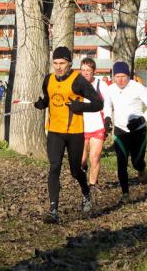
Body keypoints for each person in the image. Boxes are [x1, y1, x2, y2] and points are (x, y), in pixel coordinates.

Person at [33, 47, 103, 223]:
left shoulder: (78, 80)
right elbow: (49, 98)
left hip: (74, 133)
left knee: (75, 170)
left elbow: (98, 103)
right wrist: (42, 103)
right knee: (54, 166)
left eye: (62, 63)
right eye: (55, 63)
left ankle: (86, 192)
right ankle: (53, 209)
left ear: (70, 63)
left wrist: (81, 107)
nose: (58, 67)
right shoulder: (48, 79)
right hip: (55, 132)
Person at [103, 61, 147, 202]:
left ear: (129, 75)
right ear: (113, 76)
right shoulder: (111, 89)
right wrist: (108, 118)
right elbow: (107, 105)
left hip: (138, 130)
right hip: (120, 130)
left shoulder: (137, 87)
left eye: (123, 76)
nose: (120, 80)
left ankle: (142, 169)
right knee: (121, 161)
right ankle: (125, 193)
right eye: (117, 76)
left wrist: (142, 119)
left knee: (136, 162)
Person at [79, 58, 106, 190]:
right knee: (82, 160)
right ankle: (84, 170)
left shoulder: (101, 85)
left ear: (94, 71)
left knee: (94, 157)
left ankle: (93, 185)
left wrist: (108, 120)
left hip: (98, 126)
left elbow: (109, 104)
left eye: (88, 70)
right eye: (83, 70)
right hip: (81, 127)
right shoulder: (76, 85)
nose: (85, 73)